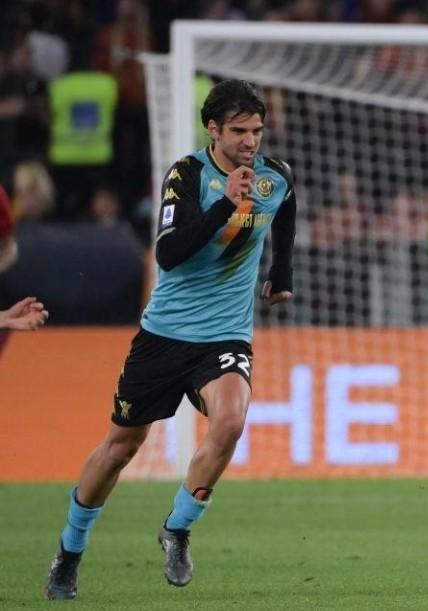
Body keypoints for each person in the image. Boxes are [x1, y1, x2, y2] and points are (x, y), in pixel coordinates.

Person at [45, 79, 297, 600]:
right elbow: (169, 254)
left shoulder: (275, 178)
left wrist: (282, 269)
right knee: (120, 448)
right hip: (164, 336)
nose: (251, 141)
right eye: (240, 130)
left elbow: (284, 210)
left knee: (229, 421)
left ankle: (177, 529)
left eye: (257, 130)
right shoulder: (186, 176)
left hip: (225, 335)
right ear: (214, 129)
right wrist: (225, 206)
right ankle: (69, 552)